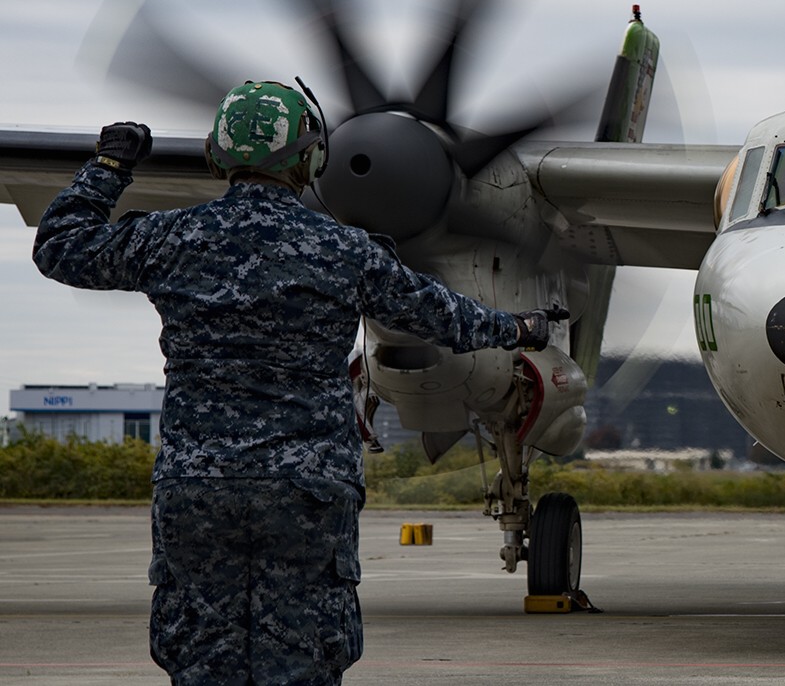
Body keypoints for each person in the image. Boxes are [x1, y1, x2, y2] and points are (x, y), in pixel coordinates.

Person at [33, 81, 565, 685]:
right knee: (304, 659)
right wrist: (519, 326)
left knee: (202, 655)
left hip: (199, 485)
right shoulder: (344, 250)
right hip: (306, 488)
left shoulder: (169, 238)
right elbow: (446, 317)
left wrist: (109, 165)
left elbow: (62, 248)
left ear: (215, 156)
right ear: (313, 159)